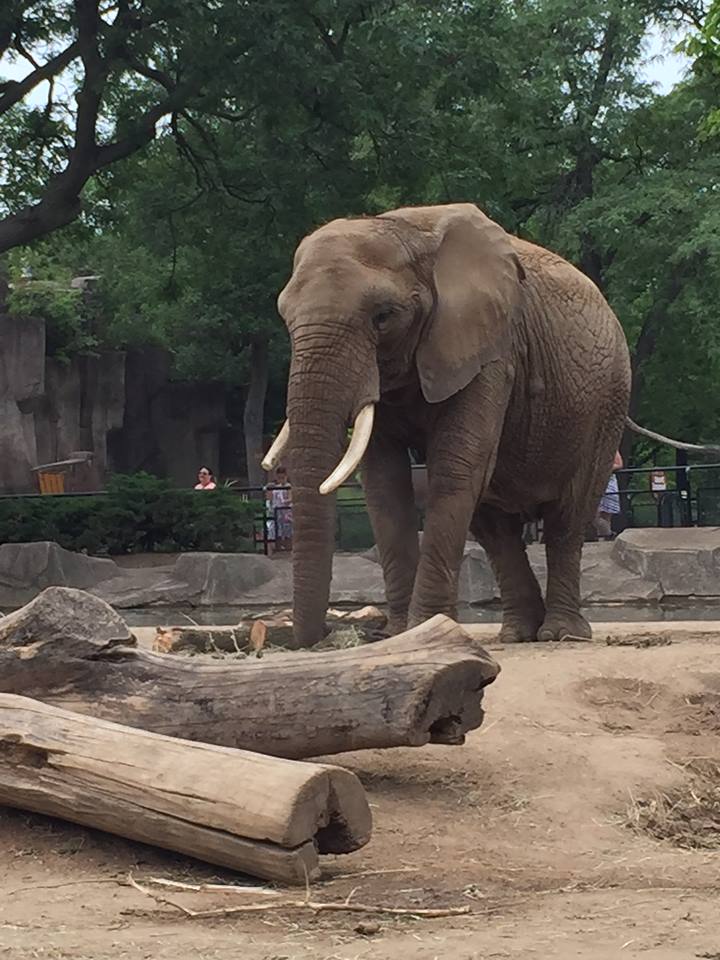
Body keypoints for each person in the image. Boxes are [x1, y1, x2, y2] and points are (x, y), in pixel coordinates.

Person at [595, 450, 623, 539]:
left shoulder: (612, 448)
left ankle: (604, 538)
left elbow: (619, 464)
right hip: (593, 483)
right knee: (594, 515)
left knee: (606, 514)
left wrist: (603, 469)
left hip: (608, 483)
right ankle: (609, 534)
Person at [265, 466, 293, 553]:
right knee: (273, 530)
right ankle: (274, 550)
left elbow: (290, 498)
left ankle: (288, 549)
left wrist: (284, 502)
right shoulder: (275, 487)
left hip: (286, 512)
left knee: (287, 531)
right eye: (279, 478)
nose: (281, 480)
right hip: (276, 511)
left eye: (282, 477)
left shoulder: (288, 486)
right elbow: (269, 499)